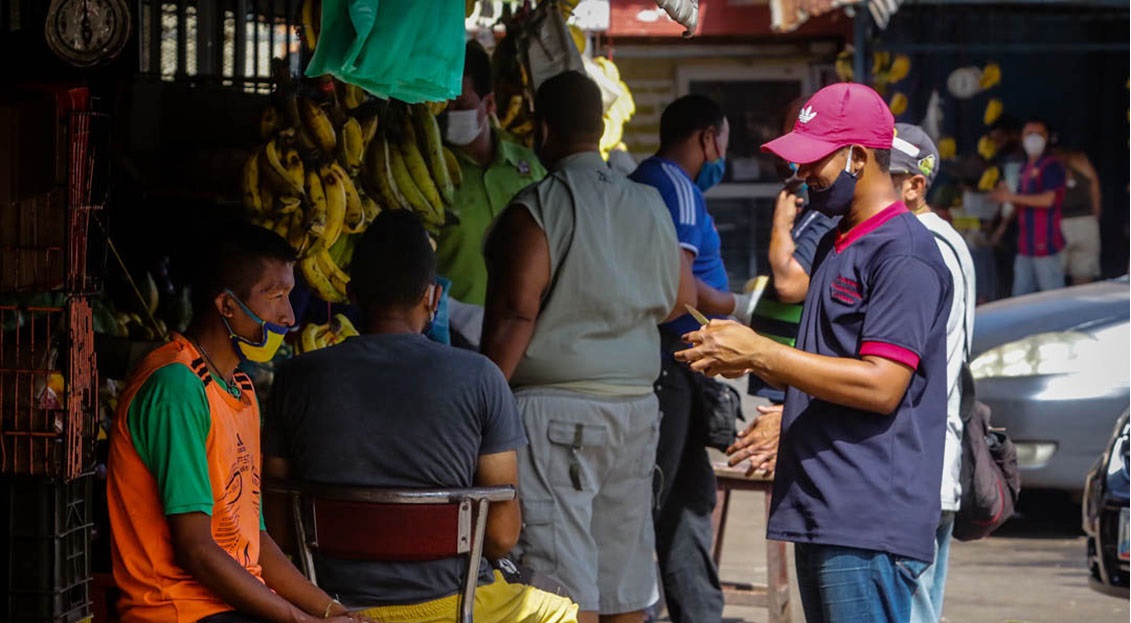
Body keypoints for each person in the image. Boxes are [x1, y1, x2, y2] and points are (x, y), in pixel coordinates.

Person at [676, 83, 953, 623]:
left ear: (858, 156)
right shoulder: (835, 241)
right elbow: (841, 364)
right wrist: (794, 414)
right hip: (824, 507)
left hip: (868, 519)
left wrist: (761, 354)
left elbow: (881, 384)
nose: (801, 177)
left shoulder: (905, 255)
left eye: (812, 162)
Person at [261, 211, 578, 623]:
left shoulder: (295, 377)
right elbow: (501, 536)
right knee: (568, 607)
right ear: (432, 298)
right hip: (453, 606)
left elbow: (280, 530)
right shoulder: (482, 377)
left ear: (352, 294)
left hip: (330, 606)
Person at [481, 70, 694, 623]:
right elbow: (679, 300)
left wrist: (481, 401)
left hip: (558, 417)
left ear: (542, 129)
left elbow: (516, 310)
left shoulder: (541, 205)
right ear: (601, 128)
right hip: (637, 411)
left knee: (560, 587)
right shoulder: (649, 203)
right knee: (623, 583)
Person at [105, 220, 369, 623]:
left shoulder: (241, 390)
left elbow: (255, 541)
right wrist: (299, 621)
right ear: (226, 305)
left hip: (227, 607)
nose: (288, 315)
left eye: (289, 295)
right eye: (275, 296)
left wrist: (334, 611)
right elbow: (196, 549)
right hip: (176, 611)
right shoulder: (177, 388)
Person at [627, 94, 747, 623]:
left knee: (689, 501)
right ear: (707, 138)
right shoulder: (673, 185)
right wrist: (729, 303)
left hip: (682, 367)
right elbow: (678, 294)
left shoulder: (659, 182)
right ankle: (635, 609)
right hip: (665, 364)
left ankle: (700, 613)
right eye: (722, 141)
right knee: (652, 498)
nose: (722, 153)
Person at [891, 124, 977, 623]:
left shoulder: (923, 247)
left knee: (910, 610)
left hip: (919, 466)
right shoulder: (941, 240)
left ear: (915, 185)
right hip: (929, 463)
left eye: (886, 176)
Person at [734, 97, 841, 477]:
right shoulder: (809, 203)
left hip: (797, 382)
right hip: (785, 381)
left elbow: (790, 283)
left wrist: (780, 223)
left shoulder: (817, 210)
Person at [436, 40, 547, 310]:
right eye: (444, 105)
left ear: (489, 104)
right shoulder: (430, 174)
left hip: (525, 329)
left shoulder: (528, 165)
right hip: (452, 333)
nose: (450, 114)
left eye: (460, 104)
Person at [990, 119, 1067, 296]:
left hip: (1045, 243)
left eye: (1038, 134)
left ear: (1047, 138)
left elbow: (1049, 199)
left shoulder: (1051, 166)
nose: (1033, 138)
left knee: (1052, 296)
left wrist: (1010, 196)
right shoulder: (1025, 168)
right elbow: (1019, 202)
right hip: (1025, 244)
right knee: (1021, 296)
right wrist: (1004, 201)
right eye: (1029, 134)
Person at [1054, 145, 1102, 284]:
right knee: (1059, 278)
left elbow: (1095, 194)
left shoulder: (1081, 162)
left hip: (1076, 223)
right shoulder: (1084, 164)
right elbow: (1096, 195)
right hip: (1083, 223)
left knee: (1056, 280)